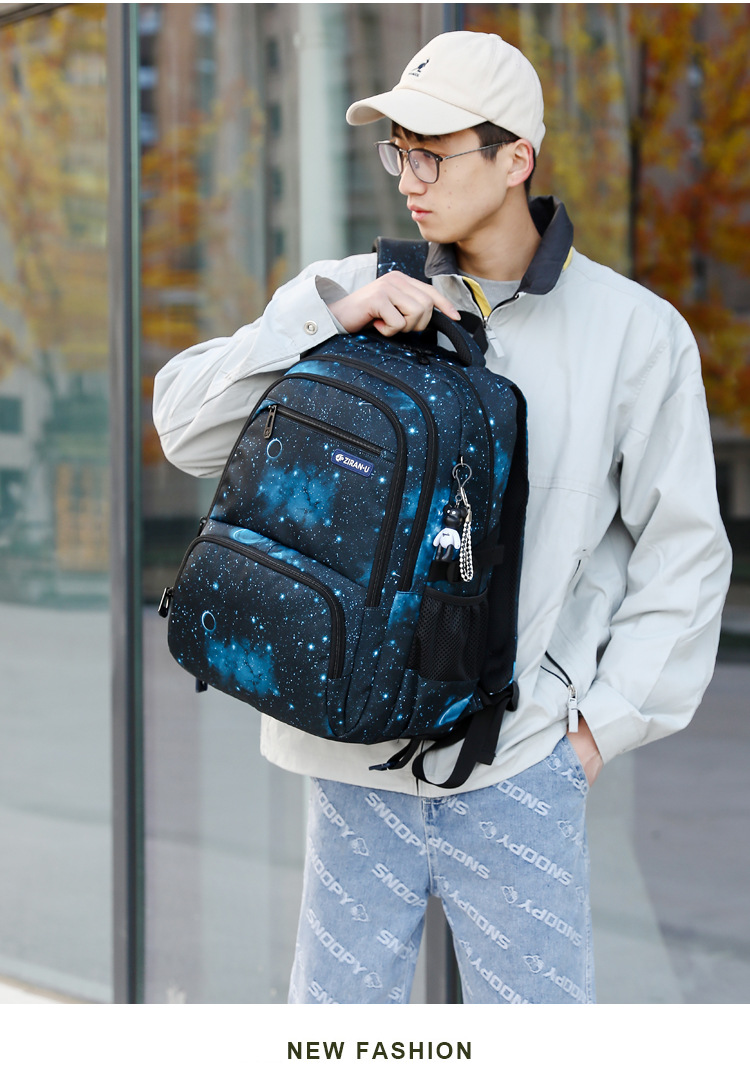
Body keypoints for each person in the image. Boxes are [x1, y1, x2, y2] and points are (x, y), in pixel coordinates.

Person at [153, 31, 732, 1004]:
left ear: (516, 159)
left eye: (434, 152)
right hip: (353, 763)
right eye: (399, 153)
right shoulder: (348, 287)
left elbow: (686, 555)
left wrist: (595, 733)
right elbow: (182, 428)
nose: (410, 179)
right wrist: (326, 322)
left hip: (518, 766)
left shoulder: (632, 332)